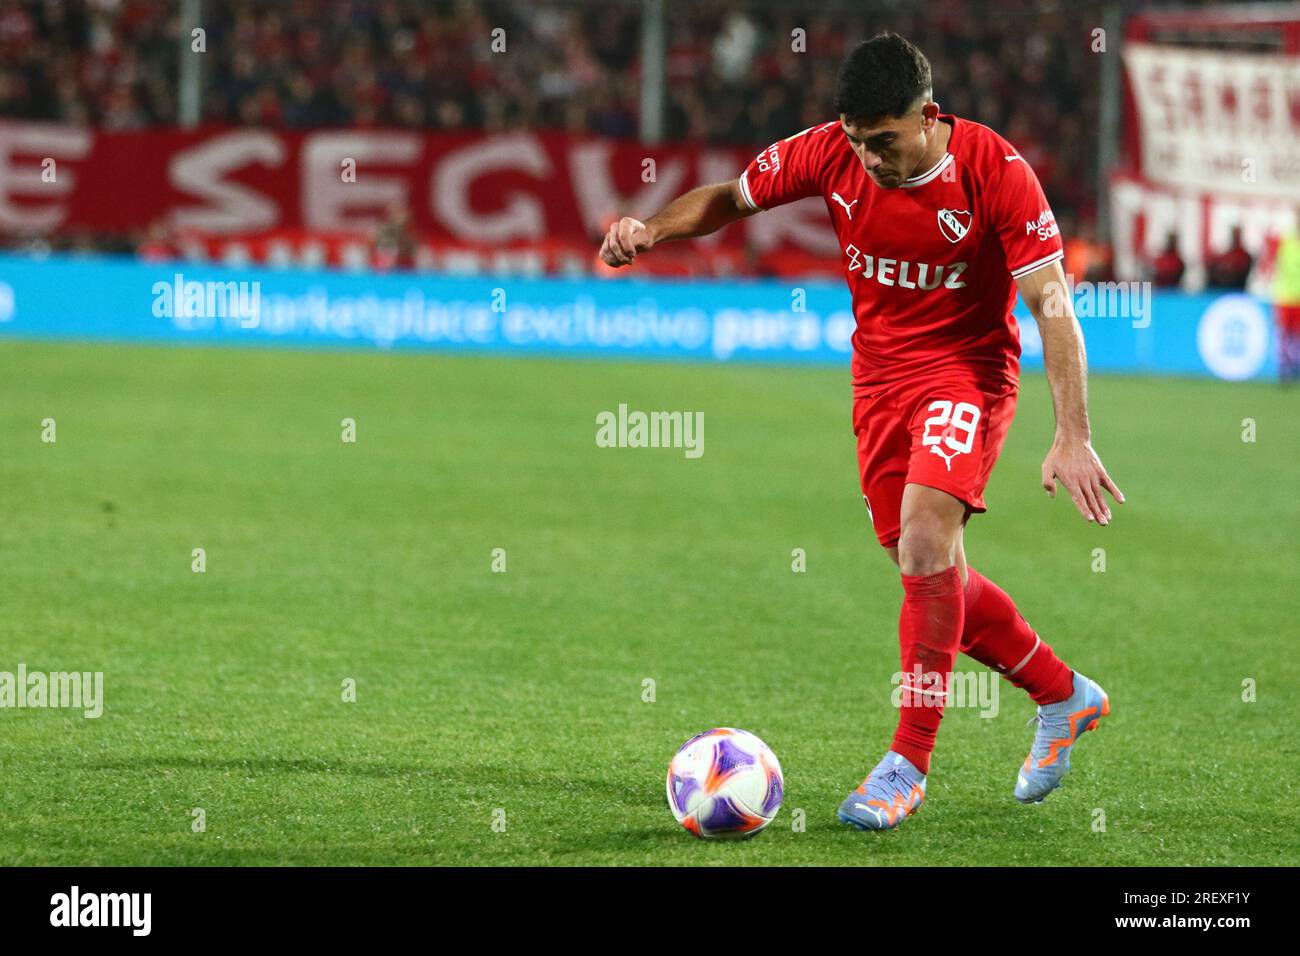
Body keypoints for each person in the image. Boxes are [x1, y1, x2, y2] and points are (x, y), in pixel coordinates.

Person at [599, 32, 1123, 830]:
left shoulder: (994, 171)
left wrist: (1072, 432)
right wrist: (654, 227)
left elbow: (1052, 301)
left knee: (922, 547)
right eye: (856, 140)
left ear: (928, 117)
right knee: (930, 570)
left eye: (885, 140)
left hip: (967, 374)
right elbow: (729, 197)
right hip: (879, 382)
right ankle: (1062, 693)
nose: (870, 157)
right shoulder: (826, 153)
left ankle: (906, 764)